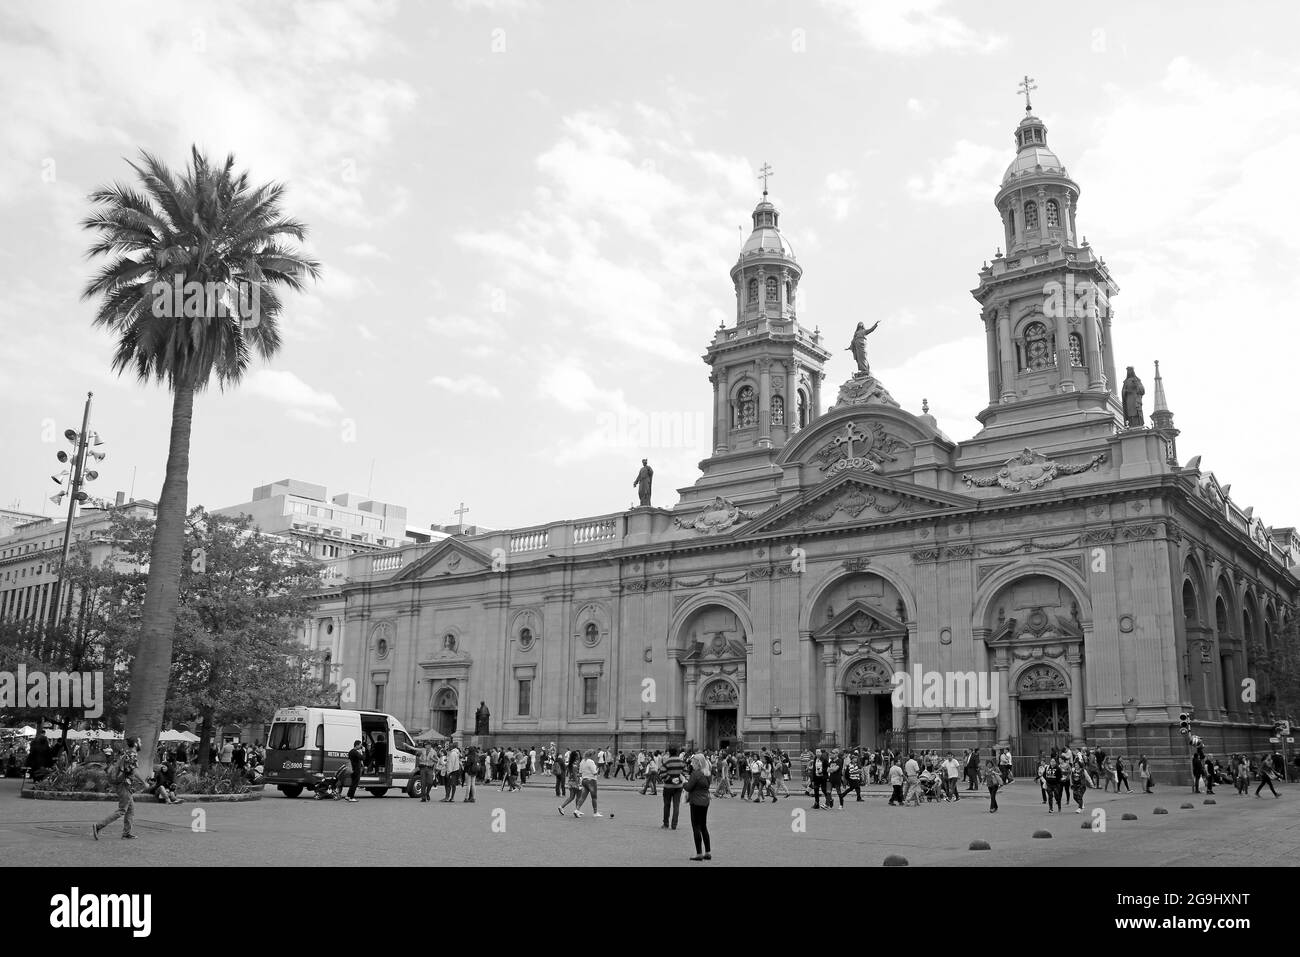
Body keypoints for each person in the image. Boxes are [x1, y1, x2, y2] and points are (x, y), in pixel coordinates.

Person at [93, 739, 142, 840]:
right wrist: (144, 782)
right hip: (124, 785)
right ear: (136, 743)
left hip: (123, 785)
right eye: (140, 742)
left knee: (130, 810)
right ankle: (99, 826)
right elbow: (134, 771)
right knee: (122, 810)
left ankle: (126, 833)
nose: (141, 744)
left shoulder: (126, 753)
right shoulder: (132, 755)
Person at [683, 753, 712, 862]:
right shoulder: (707, 773)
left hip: (696, 801)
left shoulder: (696, 774)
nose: (691, 763)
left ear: (698, 763)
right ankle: (708, 852)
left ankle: (699, 853)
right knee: (703, 826)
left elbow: (689, 787)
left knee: (696, 827)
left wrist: (683, 782)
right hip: (705, 801)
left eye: (693, 762)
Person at [660, 746, 686, 829]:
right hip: (678, 787)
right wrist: (678, 779)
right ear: (677, 752)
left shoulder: (667, 761)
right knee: (676, 806)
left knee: (666, 805)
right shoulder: (681, 762)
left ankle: (666, 824)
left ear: (669, 752)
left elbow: (662, 774)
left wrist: (671, 780)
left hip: (668, 787)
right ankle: (674, 825)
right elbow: (685, 773)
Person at [575, 750, 601, 817]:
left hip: (584, 780)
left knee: (583, 797)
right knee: (594, 797)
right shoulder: (591, 762)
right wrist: (597, 770)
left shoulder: (582, 761)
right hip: (591, 781)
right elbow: (594, 773)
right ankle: (595, 812)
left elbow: (580, 773)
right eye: (594, 755)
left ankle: (577, 810)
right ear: (591, 755)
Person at [557, 751, 583, 816]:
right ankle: (577, 810)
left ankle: (561, 807)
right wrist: (578, 783)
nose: (579, 756)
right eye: (577, 755)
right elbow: (575, 775)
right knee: (578, 797)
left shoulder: (571, 763)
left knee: (571, 797)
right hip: (575, 782)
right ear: (575, 756)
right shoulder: (575, 764)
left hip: (570, 782)